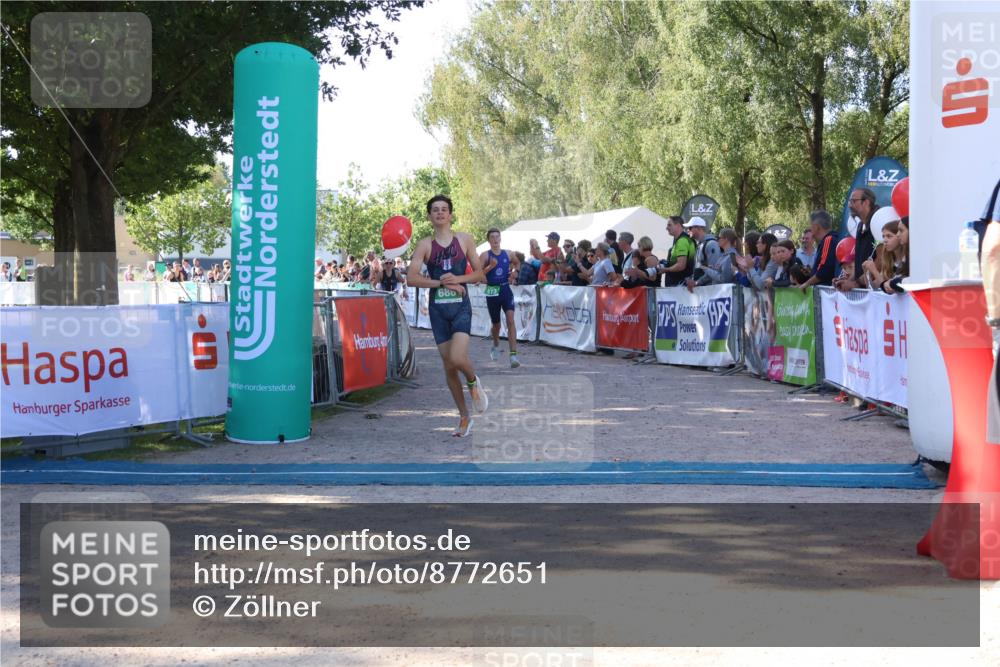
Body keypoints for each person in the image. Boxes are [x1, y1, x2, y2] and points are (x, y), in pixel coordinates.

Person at [406, 195, 488, 437]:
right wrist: (441, 283)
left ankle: (473, 381)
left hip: (460, 307)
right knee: (449, 366)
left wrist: (458, 279)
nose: (440, 213)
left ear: (451, 215)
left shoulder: (464, 240)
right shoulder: (424, 245)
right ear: (429, 216)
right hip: (438, 311)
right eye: (435, 210)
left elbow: (479, 274)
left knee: (457, 357)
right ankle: (464, 417)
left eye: (444, 209)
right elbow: (411, 278)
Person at [480, 228, 522, 368]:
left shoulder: (508, 253)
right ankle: (495, 344)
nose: (495, 239)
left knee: (510, 320)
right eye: (492, 237)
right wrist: (490, 267)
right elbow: (478, 274)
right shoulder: (485, 255)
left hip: (505, 289)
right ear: (489, 240)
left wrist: (515, 272)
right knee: (496, 325)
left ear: (500, 238)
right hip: (492, 290)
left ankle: (513, 356)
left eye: (497, 237)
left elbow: (517, 263)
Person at [835, 187, 877, 292]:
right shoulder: (860, 226)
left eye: (853, 201)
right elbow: (859, 263)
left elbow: (881, 261)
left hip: (877, 292)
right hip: (863, 291)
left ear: (866, 202)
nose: (850, 205)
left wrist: (855, 284)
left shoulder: (877, 221)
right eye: (849, 201)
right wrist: (846, 280)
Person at [797, 210, 839, 292]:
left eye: (811, 226)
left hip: (826, 292)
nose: (810, 230)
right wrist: (812, 272)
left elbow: (824, 271)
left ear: (816, 227)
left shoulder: (828, 240)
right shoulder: (830, 239)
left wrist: (806, 284)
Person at [862, 220, 906, 294]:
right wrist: (867, 273)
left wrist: (875, 272)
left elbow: (888, 289)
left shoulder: (907, 260)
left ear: (899, 235)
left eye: (889, 236)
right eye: (883, 236)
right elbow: (875, 287)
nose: (885, 240)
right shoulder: (890, 261)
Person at [684, 217, 722, 291]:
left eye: (690, 227)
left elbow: (714, 271)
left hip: (711, 291)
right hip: (702, 292)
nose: (688, 230)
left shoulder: (711, 244)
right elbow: (700, 269)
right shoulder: (700, 245)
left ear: (698, 228)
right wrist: (691, 279)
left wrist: (697, 282)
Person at [658, 216, 696, 286]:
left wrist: (666, 269)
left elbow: (681, 265)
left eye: (669, 225)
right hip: (680, 285)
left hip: (679, 286)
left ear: (678, 225)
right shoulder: (682, 239)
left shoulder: (682, 241)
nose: (666, 228)